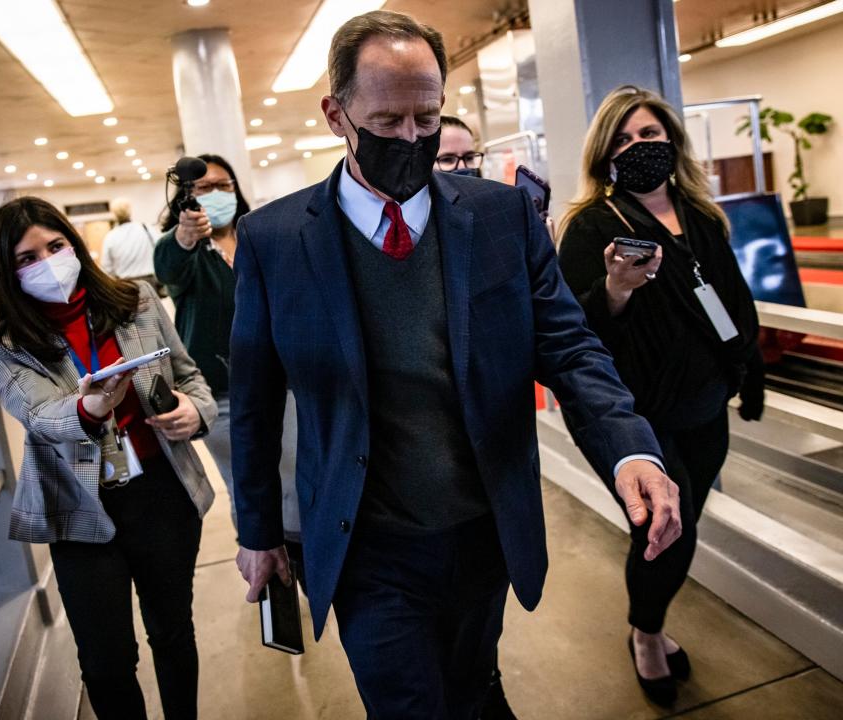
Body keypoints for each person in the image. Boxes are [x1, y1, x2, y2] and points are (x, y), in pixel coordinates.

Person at [230, 11, 682, 719]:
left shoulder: (501, 217)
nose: (411, 138)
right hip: (366, 544)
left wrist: (630, 452)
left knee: (472, 684)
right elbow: (254, 400)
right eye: (388, 120)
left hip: (481, 530)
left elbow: (568, 345)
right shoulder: (276, 240)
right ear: (335, 113)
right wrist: (256, 531)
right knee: (407, 702)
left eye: (426, 117)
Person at [557, 85, 765, 707]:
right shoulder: (591, 226)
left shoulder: (702, 217)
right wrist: (618, 287)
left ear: (670, 138)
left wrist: (748, 367)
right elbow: (574, 336)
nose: (638, 147)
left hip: (704, 403)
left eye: (648, 134)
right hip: (635, 417)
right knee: (665, 530)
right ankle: (647, 635)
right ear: (605, 154)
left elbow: (732, 300)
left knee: (688, 516)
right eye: (622, 140)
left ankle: (648, 621)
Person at [0, 197, 218, 720]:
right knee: (106, 663)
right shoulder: (1, 344)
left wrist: (196, 412)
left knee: (173, 630)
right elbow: (38, 414)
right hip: (80, 509)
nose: (47, 262)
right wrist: (89, 406)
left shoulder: (137, 300)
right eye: (26, 257)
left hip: (160, 492)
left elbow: (190, 375)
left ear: (75, 245)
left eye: (55, 246)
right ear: (6, 269)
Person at [435, 114, 516, 720]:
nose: (461, 170)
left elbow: (553, 342)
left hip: (480, 489)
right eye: (448, 160)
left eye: (469, 158)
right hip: (392, 508)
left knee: (474, 642)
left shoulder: (498, 225)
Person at [155, 154, 248, 521]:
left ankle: (297, 558)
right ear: (187, 195)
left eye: (225, 185)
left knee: (293, 476)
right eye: (205, 187)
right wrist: (184, 236)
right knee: (247, 481)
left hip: (278, 382)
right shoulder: (185, 246)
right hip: (221, 389)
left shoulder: (253, 235)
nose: (218, 192)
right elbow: (168, 267)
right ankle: (266, 567)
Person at [99, 197, 164, 296]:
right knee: (153, 310)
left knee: (132, 311)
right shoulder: (146, 228)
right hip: (149, 282)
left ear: (114, 214)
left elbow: (106, 267)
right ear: (130, 211)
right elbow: (161, 251)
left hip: (125, 285)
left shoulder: (110, 236)